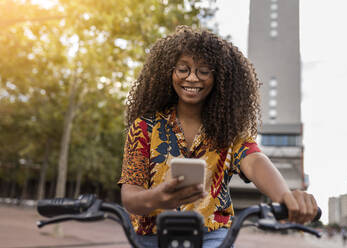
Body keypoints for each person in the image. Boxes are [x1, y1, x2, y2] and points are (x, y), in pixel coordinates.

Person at [117, 25, 318, 247]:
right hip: (151, 236)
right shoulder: (143, 127)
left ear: (219, 78)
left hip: (212, 237)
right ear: (168, 71)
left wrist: (286, 197)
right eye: (183, 69)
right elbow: (130, 195)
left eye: (204, 71)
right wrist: (156, 197)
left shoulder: (229, 132)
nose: (192, 78)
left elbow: (256, 161)